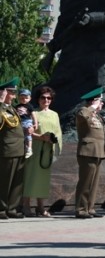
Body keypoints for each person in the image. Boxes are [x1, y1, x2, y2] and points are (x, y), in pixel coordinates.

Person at [22, 86, 62, 217]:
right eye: (43, 97)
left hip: (48, 150)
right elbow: (27, 132)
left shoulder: (54, 114)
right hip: (35, 149)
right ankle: (26, 205)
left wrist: (54, 142)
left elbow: (58, 133)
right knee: (30, 177)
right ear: (38, 99)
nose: (46, 100)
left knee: (43, 179)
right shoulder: (33, 113)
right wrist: (40, 137)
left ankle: (40, 206)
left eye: (49, 98)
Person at [74, 87, 105, 219]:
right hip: (88, 151)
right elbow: (82, 116)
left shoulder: (97, 116)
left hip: (98, 151)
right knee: (86, 181)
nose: (102, 103)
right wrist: (93, 106)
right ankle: (81, 209)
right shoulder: (84, 111)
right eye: (100, 100)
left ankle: (90, 207)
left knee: (94, 182)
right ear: (94, 101)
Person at [0, 78, 26, 219]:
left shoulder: (12, 109)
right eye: (11, 92)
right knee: (5, 181)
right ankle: (1, 209)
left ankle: (12, 208)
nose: (14, 95)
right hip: (7, 150)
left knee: (17, 182)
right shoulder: (1, 107)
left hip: (19, 149)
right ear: (3, 92)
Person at [15, 89, 37, 159]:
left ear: (30, 98)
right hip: (20, 122)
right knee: (21, 136)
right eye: (22, 98)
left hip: (27, 121)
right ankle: (25, 147)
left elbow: (33, 115)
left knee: (28, 135)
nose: (24, 99)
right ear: (18, 98)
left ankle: (29, 149)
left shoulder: (29, 106)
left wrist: (35, 123)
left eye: (26, 98)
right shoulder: (17, 106)